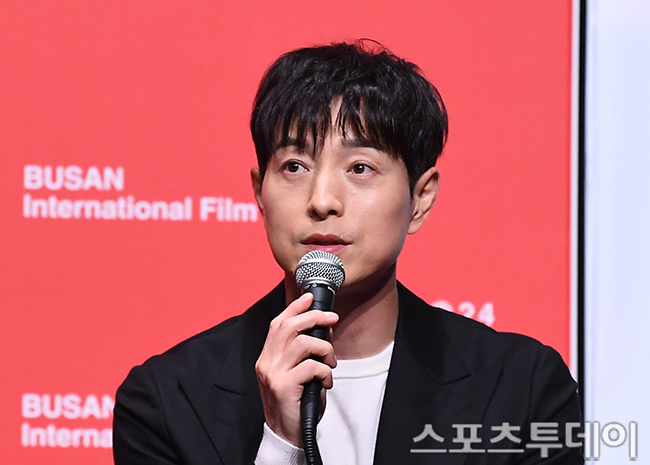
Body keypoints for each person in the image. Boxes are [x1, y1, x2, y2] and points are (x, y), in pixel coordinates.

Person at [113, 41, 583, 464]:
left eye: (359, 168)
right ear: (259, 193)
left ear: (420, 199)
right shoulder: (165, 401)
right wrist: (280, 447)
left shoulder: (522, 389)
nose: (322, 201)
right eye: (294, 166)